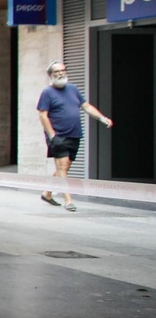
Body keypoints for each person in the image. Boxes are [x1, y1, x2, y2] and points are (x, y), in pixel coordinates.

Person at [37, 62, 113, 212]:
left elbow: (86, 106)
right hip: (57, 136)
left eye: (63, 70)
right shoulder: (47, 92)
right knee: (62, 167)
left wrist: (102, 118)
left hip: (74, 135)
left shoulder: (73, 89)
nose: (61, 73)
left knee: (63, 168)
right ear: (51, 75)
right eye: (57, 71)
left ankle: (47, 193)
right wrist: (52, 135)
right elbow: (42, 115)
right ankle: (68, 200)